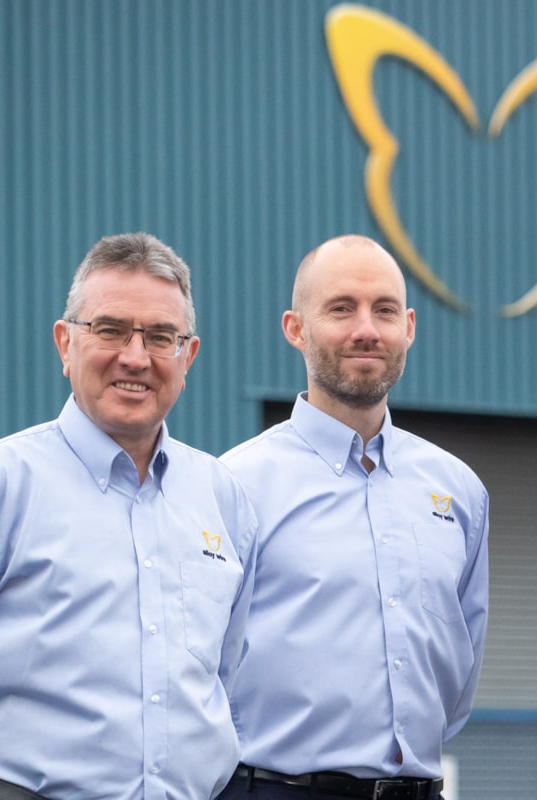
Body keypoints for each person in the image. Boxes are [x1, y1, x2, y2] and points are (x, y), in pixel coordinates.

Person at [0, 233, 259, 800]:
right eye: (109, 329)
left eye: (161, 336)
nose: (135, 357)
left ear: (189, 356)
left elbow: (224, 680)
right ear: (65, 343)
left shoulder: (225, 500)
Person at [217, 235, 489, 800]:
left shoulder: (459, 491)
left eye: (385, 310)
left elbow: (459, 678)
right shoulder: (233, 487)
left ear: (409, 327)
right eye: (341, 308)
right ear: (296, 328)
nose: (367, 328)